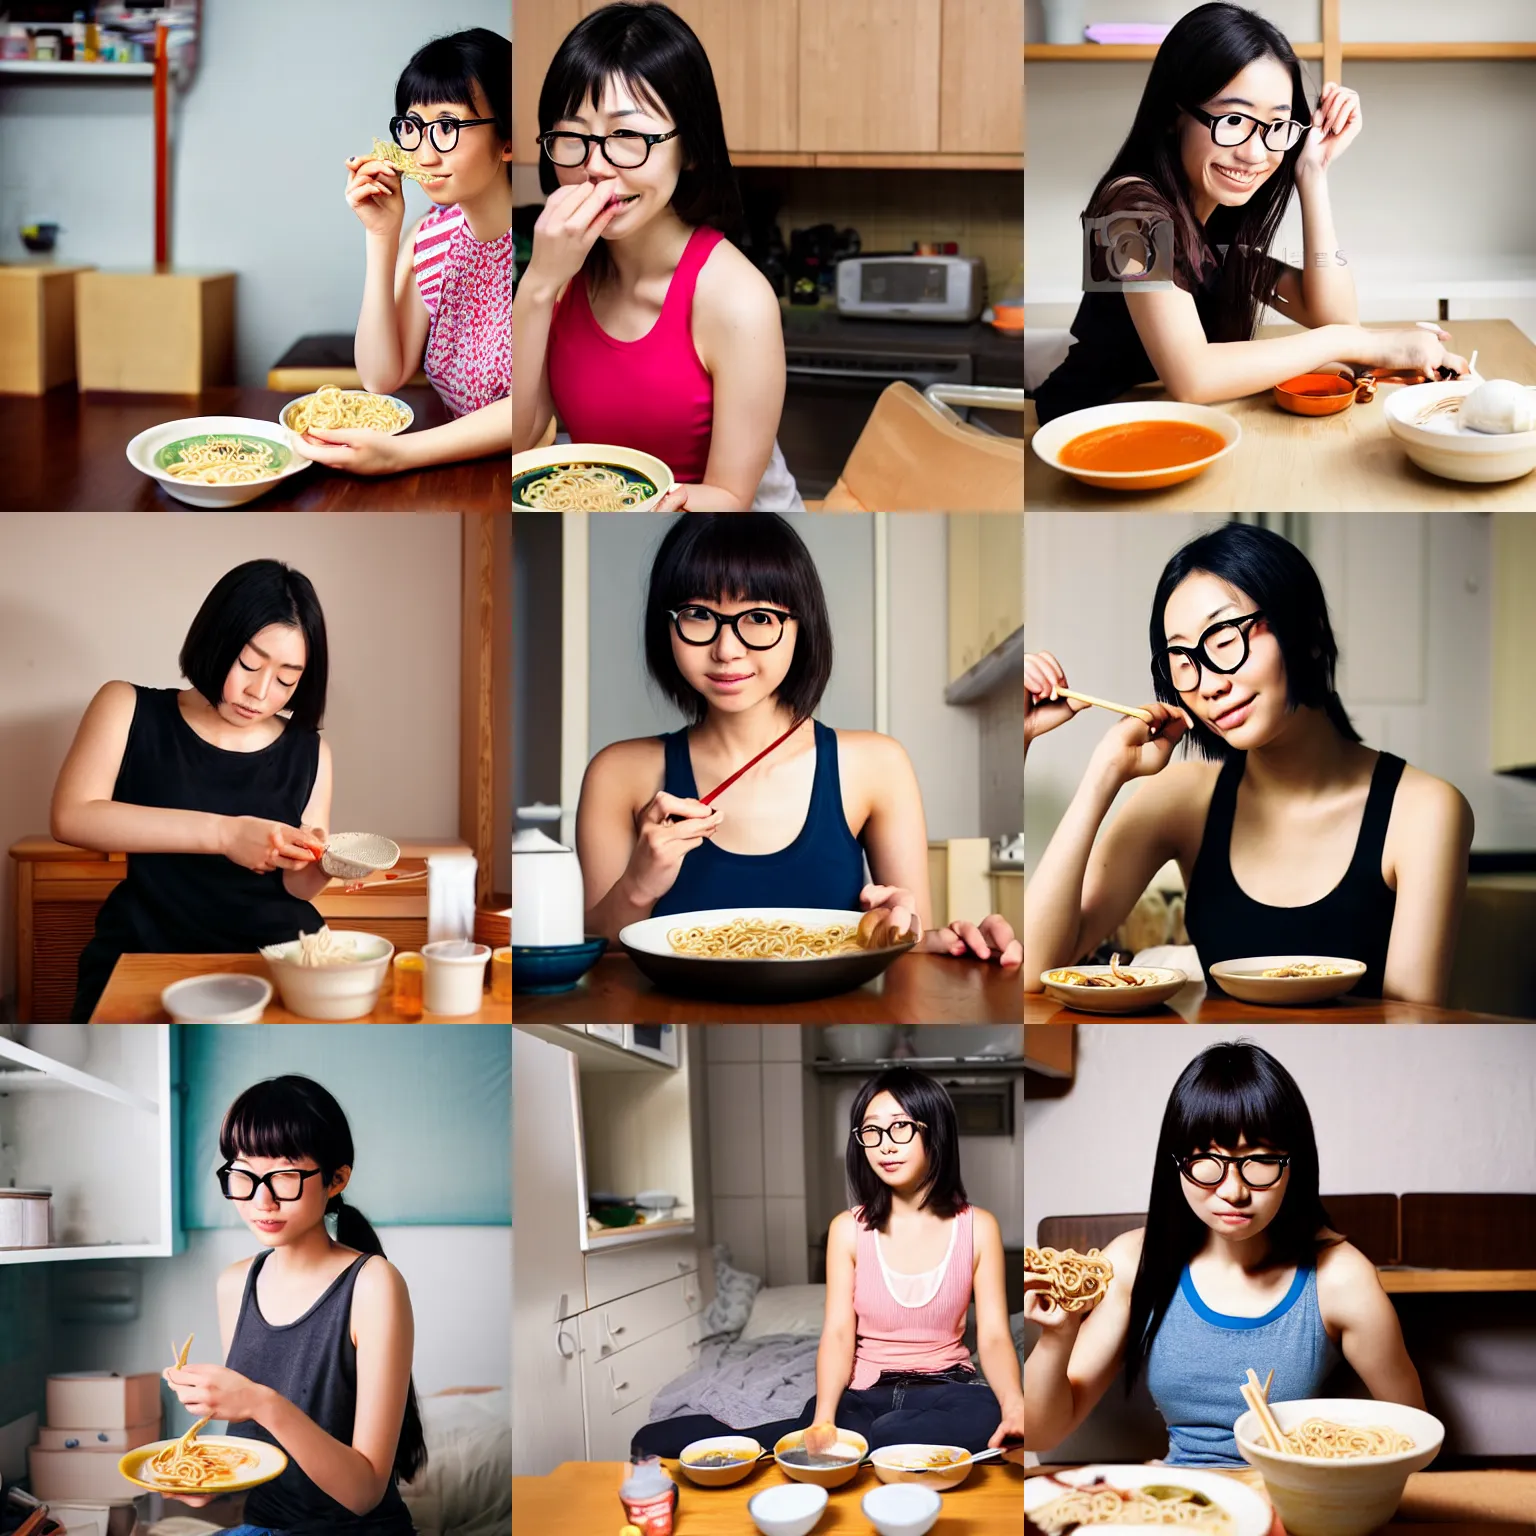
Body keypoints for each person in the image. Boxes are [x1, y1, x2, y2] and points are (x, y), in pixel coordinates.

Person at [1023, 524, 1472, 1003]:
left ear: (1309, 633)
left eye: (1224, 638)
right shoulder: (1182, 798)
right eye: (1182, 658)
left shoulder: (1425, 812)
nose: (1208, 684)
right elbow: (1037, 968)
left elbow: (1411, 1022)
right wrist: (1103, 774)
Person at [577, 514, 1021, 966]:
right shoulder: (618, 774)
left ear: (800, 627)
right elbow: (598, 958)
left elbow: (907, 940)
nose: (727, 650)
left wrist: (942, 940)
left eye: (759, 617)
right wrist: (638, 885)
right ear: (666, 625)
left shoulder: (877, 765)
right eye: (697, 614)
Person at [1031, 2, 1468, 424]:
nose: (1256, 152)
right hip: (1081, 436)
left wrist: (1313, 174)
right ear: (1173, 114)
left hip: (1159, 429)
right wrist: (1363, 344)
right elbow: (1192, 377)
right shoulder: (1127, 209)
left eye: (1276, 125)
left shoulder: (1214, 211)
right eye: (1235, 120)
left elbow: (1333, 315)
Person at [1024, 1041, 1424, 1464]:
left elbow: (1415, 1437)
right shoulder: (1131, 1263)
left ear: (1294, 1164)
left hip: (1297, 1501)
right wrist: (1057, 1336)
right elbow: (1040, 1432)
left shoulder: (1340, 1278)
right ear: (1176, 1163)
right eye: (1207, 1161)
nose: (1234, 1191)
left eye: (1260, 1161)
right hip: (1182, 1503)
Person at [633, 1068, 1024, 1458]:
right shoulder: (847, 1230)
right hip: (864, 1396)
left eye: (901, 1127)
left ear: (934, 1131)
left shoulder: (978, 1227)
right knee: (836, 1429)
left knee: (985, 1414)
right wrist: (823, 1419)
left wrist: (1014, 1406)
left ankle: (876, 1442)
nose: (885, 1145)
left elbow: (992, 1336)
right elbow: (838, 1334)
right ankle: (856, 1440)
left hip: (947, 1390)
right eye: (871, 1132)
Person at [514, 2, 801, 510]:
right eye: (573, 136)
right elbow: (523, 434)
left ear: (689, 149)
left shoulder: (738, 300)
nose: (596, 166)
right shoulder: (561, 269)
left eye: (628, 136)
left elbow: (732, 496)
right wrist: (537, 285)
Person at [52, 560, 339, 1022]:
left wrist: (326, 864)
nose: (261, 692)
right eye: (249, 663)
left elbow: (297, 887)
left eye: (287, 678)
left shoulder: (311, 751)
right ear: (216, 638)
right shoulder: (127, 706)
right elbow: (71, 816)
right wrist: (225, 835)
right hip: (147, 945)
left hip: (276, 954)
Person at [164, 1076, 422, 1533]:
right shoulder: (235, 1283)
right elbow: (263, 1458)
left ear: (336, 1178)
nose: (261, 1200)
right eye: (243, 1174)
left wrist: (262, 1403)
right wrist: (209, 1481)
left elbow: (364, 1493)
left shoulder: (374, 1285)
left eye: (284, 1175)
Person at [311, 28, 512, 475]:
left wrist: (401, 454)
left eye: (446, 127)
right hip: (454, 473)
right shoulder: (430, 237)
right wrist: (382, 236)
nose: (423, 154)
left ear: (509, 139)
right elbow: (382, 377)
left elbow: (536, 407)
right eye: (412, 128)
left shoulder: (546, 240)